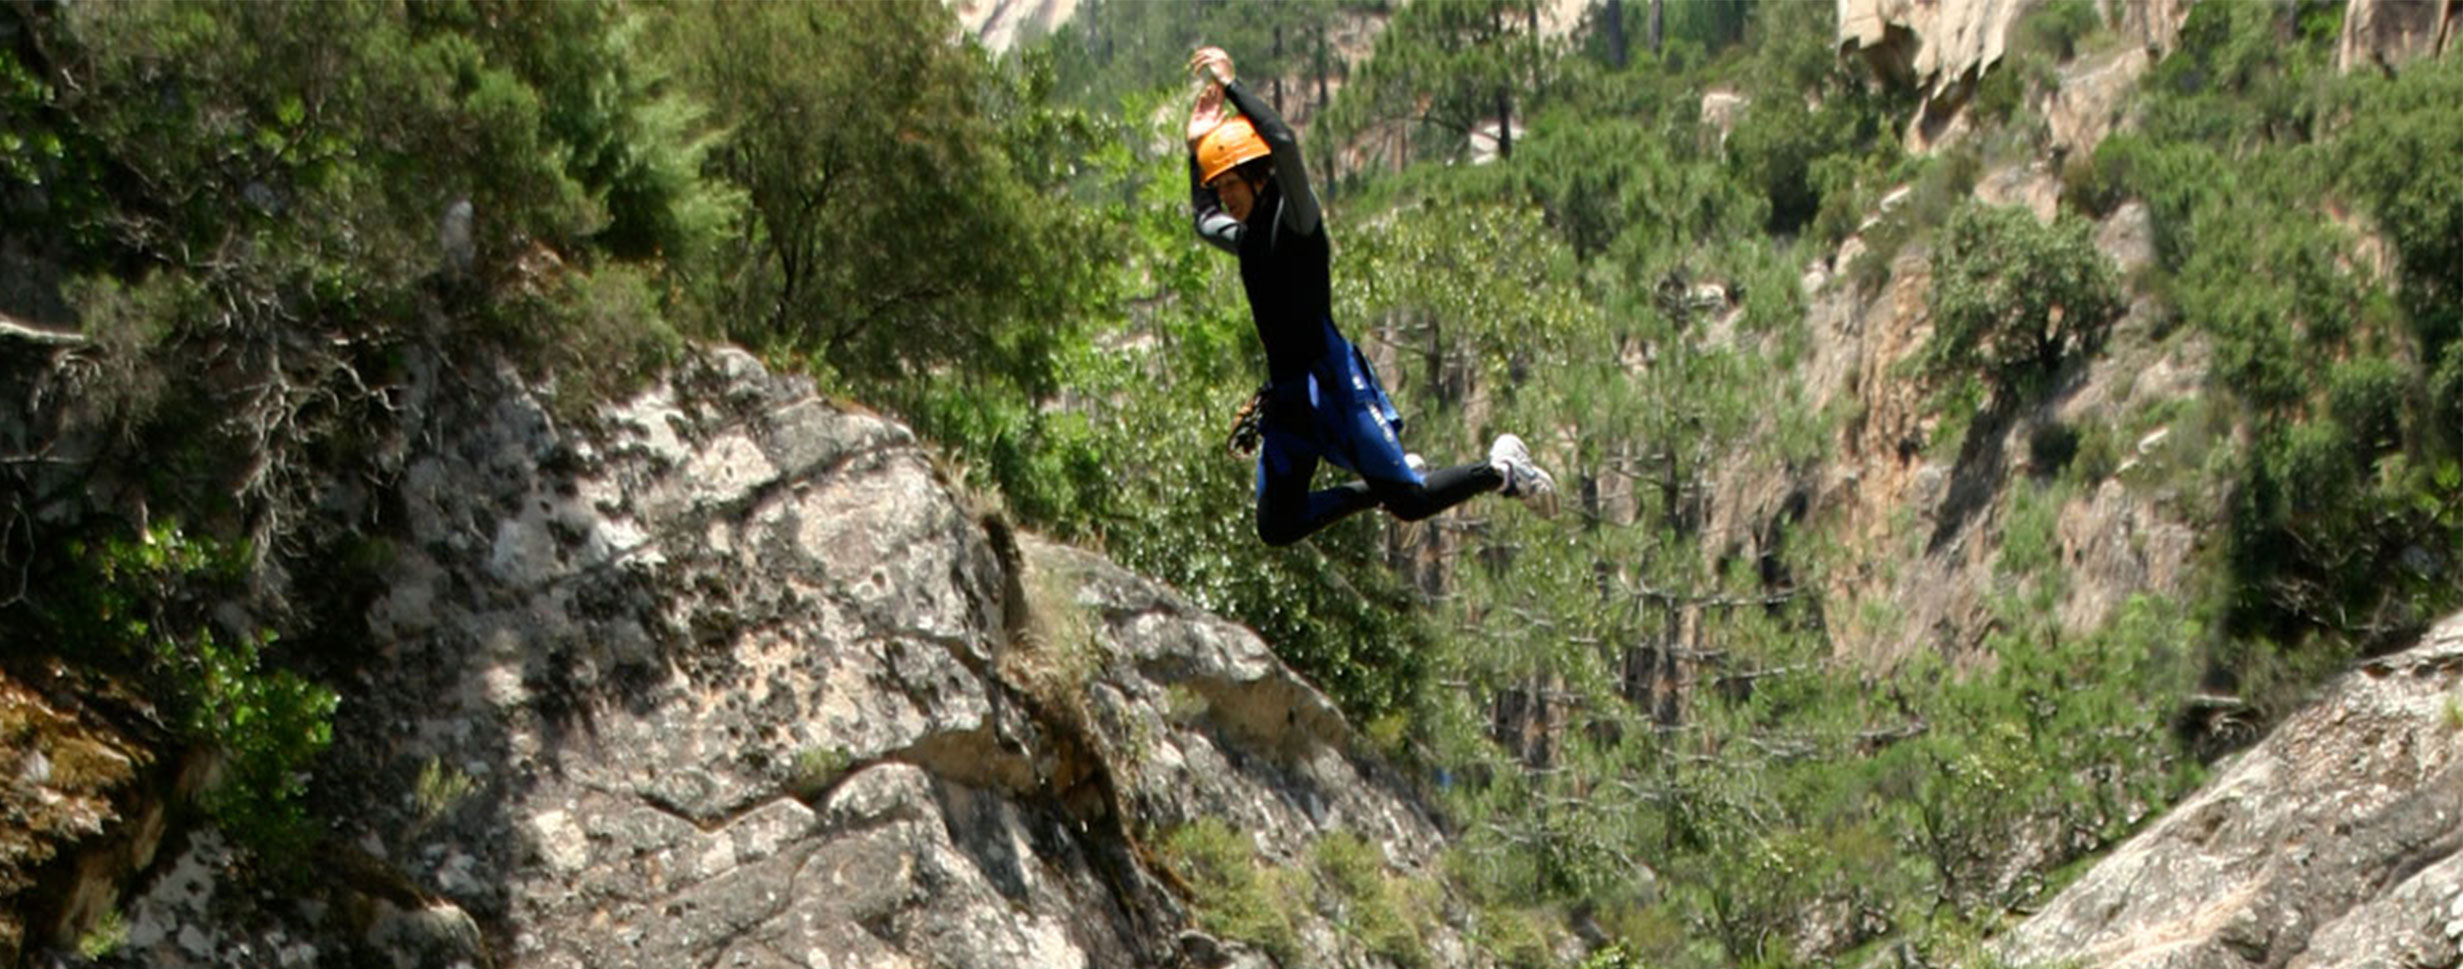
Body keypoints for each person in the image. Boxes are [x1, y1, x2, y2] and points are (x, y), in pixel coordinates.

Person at [1184, 45, 1555, 548]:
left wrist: (1232, 87)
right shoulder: (1247, 238)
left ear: (1257, 175)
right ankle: (1374, 488)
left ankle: (1504, 469)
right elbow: (1204, 219)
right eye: (1220, 186)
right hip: (1291, 397)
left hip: (1335, 382)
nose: (1225, 196)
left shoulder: (1298, 222)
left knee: (1411, 503)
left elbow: (1285, 143)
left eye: (1231, 183)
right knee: (1277, 526)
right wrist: (1195, 147)